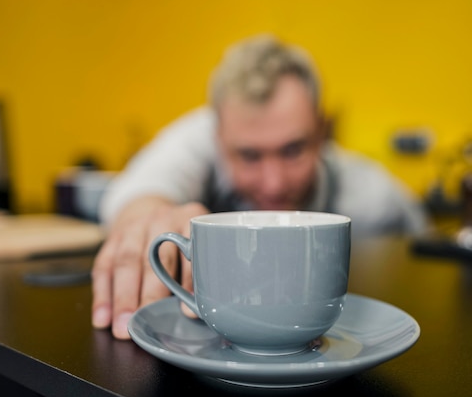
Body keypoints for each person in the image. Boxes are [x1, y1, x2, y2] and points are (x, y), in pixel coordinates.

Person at [92, 35, 428, 339]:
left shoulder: (374, 197)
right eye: (250, 155)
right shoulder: (203, 132)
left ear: (322, 131)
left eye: (294, 150)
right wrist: (150, 219)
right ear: (218, 138)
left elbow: (425, 253)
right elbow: (136, 190)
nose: (274, 183)